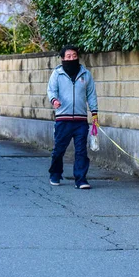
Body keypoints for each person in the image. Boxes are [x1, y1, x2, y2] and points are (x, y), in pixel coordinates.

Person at [47, 45, 99, 189]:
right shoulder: (57, 74)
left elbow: (91, 95)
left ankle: (81, 179)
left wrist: (94, 113)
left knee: (81, 150)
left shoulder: (86, 74)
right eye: (68, 56)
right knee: (59, 150)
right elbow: (51, 90)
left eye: (74, 56)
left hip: (81, 121)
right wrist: (54, 100)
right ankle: (55, 173)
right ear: (63, 58)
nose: (71, 58)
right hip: (63, 119)